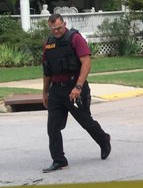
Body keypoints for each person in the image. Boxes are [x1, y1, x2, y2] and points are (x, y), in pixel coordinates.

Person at [41, 13, 111, 172]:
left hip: (74, 87)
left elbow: (86, 63)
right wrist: (45, 93)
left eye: (58, 28)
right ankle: (59, 160)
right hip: (57, 90)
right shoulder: (48, 43)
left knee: (85, 121)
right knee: (52, 127)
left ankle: (103, 139)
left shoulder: (75, 38)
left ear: (64, 24)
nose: (56, 32)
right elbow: (47, 72)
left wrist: (78, 87)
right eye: (53, 29)